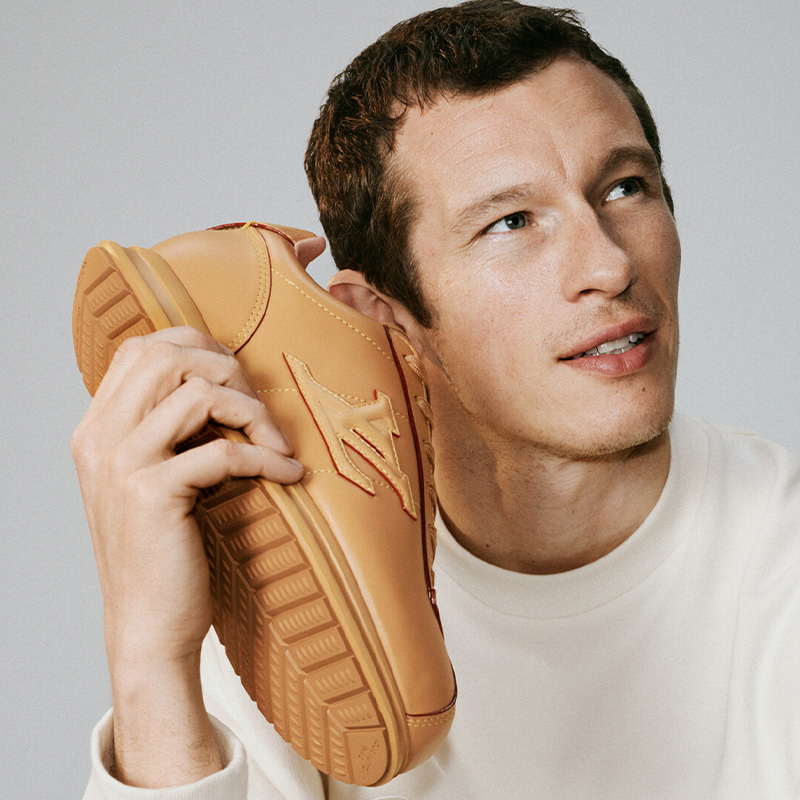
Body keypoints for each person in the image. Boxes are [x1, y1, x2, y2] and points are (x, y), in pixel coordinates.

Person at [74, 2, 800, 798]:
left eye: (626, 187)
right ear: (382, 319)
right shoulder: (310, 604)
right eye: (511, 222)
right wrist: (147, 655)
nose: (610, 265)